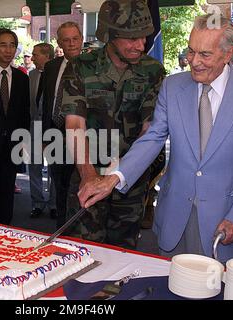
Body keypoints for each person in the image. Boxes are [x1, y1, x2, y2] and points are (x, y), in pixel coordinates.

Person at [79, 14, 233, 262]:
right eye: (191, 51)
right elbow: (152, 139)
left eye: (205, 55)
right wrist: (113, 178)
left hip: (225, 223)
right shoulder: (172, 86)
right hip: (174, 218)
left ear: (228, 55)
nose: (194, 61)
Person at [60, 0, 165, 249]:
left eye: (144, 38)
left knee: (123, 253)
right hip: (88, 171)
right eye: (132, 39)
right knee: (80, 251)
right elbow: (75, 123)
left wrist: (120, 174)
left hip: (131, 180)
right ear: (109, 35)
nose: (141, 46)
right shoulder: (81, 67)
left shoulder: (153, 71)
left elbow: (150, 129)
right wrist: (88, 177)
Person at [0, 28, 30, 225]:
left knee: (6, 197)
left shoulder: (21, 78)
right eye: (3, 45)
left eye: (12, 45)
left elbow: (24, 114)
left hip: (11, 147)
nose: (8, 50)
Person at [41, 21, 84, 229]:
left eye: (75, 39)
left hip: (85, 140)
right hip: (55, 137)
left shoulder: (94, 68)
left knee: (82, 187)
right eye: (66, 40)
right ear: (59, 43)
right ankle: (62, 231)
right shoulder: (50, 67)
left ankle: (82, 233)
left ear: (82, 40)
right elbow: (46, 104)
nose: (72, 44)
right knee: (60, 186)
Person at [28, 43, 56, 218]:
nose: (32, 58)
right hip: (33, 128)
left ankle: (54, 204)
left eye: (35, 54)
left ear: (46, 56)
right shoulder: (30, 75)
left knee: (54, 168)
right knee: (34, 167)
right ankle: (37, 203)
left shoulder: (58, 73)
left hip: (53, 129)